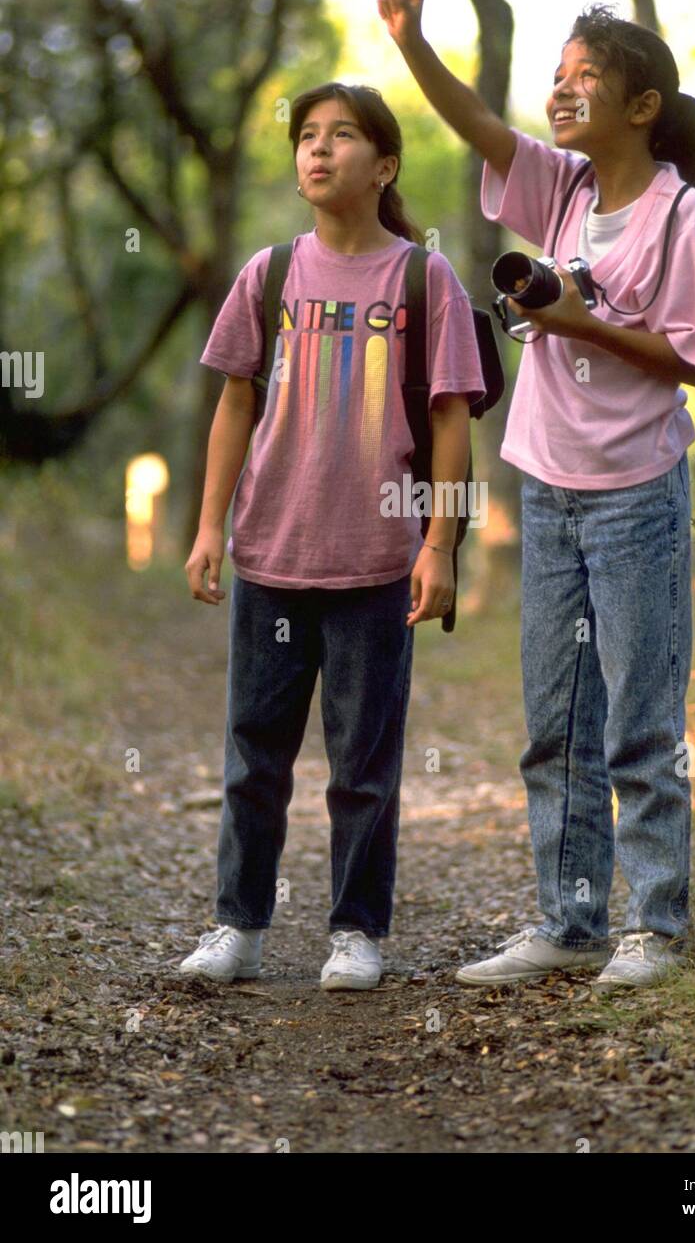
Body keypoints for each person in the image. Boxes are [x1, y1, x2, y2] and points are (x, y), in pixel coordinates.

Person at [378, 0, 695, 991]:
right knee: (557, 718)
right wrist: (410, 44)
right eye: (558, 74)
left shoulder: (679, 217)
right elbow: (481, 127)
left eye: (586, 78)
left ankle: (655, 926)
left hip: (634, 490)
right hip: (546, 482)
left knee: (639, 716)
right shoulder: (563, 186)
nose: (562, 89)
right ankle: (570, 923)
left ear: (642, 106)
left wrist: (580, 320)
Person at [180, 82, 485, 991]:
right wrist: (207, 526)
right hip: (271, 551)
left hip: (376, 562)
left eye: (341, 136)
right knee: (252, 757)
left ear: (383, 165)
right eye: (306, 137)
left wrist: (441, 544)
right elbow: (234, 401)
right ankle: (239, 926)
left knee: (363, 766)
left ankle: (357, 931)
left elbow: (451, 422)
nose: (317, 151)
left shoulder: (424, 280)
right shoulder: (269, 274)